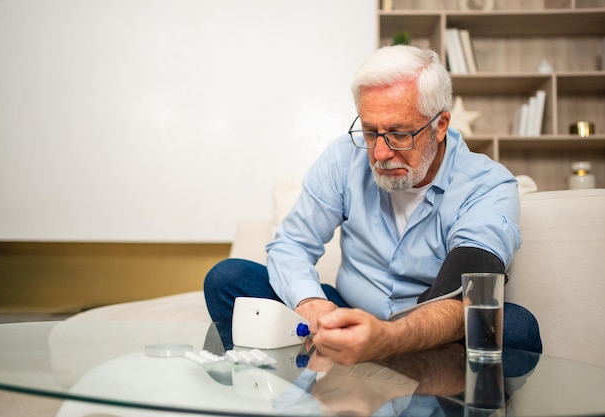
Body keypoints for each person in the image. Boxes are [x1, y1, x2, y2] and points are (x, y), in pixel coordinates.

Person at [204, 45, 542, 364]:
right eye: (369, 132)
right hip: (349, 314)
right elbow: (291, 244)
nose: (379, 153)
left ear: (440, 125)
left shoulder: (488, 185)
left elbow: (466, 296)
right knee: (227, 277)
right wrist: (313, 305)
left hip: (432, 332)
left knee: (516, 328)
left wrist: (389, 338)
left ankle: (414, 391)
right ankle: (290, 393)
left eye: (399, 134)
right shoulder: (344, 158)